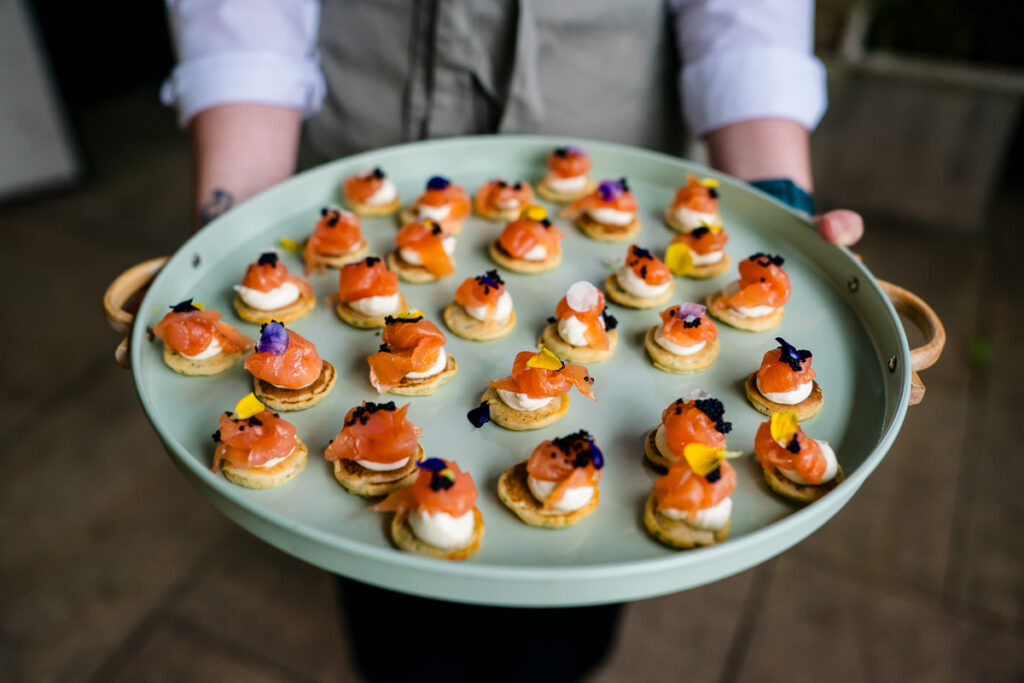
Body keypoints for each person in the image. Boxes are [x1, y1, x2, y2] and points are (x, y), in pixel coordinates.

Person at [161, 2, 863, 681]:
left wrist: (776, 197)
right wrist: (236, 210)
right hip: (374, 126)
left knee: (559, 630)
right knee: (400, 624)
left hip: (608, 104)